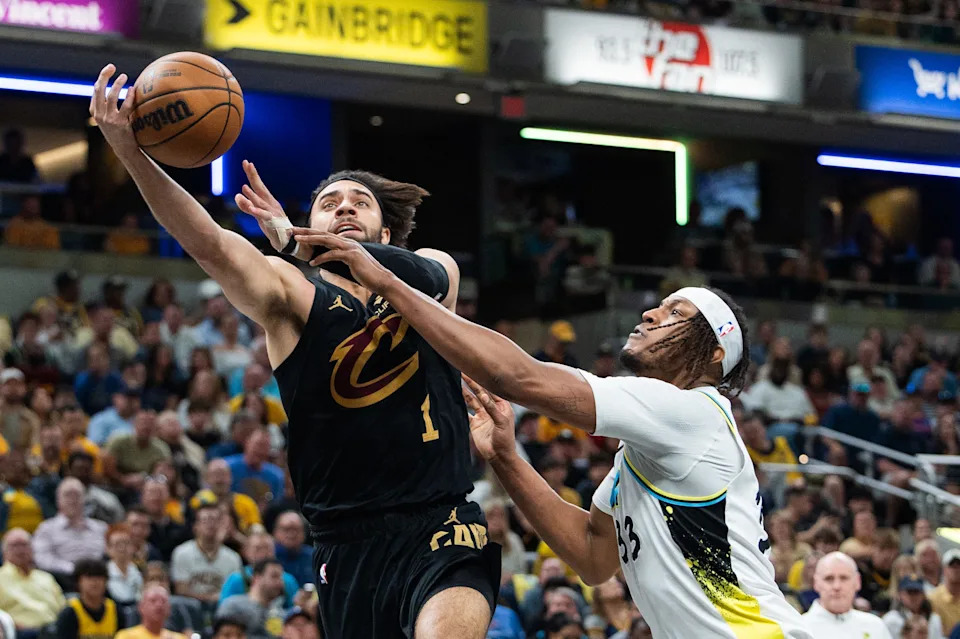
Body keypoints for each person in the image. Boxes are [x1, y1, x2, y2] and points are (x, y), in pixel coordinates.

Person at [92, 65, 498, 639]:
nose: (347, 208)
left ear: (386, 233)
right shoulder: (289, 292)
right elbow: (208, 243)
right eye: (330, 203)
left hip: (443, 520)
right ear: (309, 223)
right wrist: (132, 152)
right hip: (345, 538)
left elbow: (431, 273)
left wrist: (298, 239)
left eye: (361, 202)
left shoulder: (433, 277)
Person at [310, 231, 812, 638]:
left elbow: (519, 377)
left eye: (676, 313)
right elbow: (594, 556)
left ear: (714, 355)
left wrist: (392, 286)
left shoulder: (694, 412)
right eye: (658, 305)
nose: (650, 314)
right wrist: (506, 456)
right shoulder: (648, 450)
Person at [31, 477, 107, 581]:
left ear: (84, 499)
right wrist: (74, 569)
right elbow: (41, 559)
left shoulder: (101, 528)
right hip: (62, 580)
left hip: (99, 579)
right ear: (58, 500)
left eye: (77, 495)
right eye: (67, 495)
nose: (72, 500)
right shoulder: (46, 528)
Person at [801, 551, 892, 637]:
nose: (837, 586)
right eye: (829, 578)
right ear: (816, 583)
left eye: (844, 578)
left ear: (857, 582)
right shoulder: (800, 628)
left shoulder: (876, 627)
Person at [170, 504, 242, 608]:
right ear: (195, 527)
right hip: (190, 609)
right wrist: (210, 598)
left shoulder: (233, 557)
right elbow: (181, 591)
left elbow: (234, 594)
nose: (210, 524)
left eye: (215, 520)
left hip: (222, 609)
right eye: (205, 520)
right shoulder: (182, 553)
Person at [0, 528, 66, 633]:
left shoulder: (46, 577)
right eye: (14, 546)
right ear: (4, 552)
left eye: (24, 545)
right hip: (19, 632)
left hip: (53, 630)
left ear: (32, 549)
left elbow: (62, 608)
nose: (20, 550)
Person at [218, 531, 301, 608]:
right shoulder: (237, 579)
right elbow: (224, 609)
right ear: (246, 552)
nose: (263, 553)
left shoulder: (287, 580)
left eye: (268, 548)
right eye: (258, 549)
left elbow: (295, 609)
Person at [216, 559, 287, 639]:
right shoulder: (233, 606)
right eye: (274, 576)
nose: (280, 582)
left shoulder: (280, 614)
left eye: (281, 578)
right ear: (257, 578)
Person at [55, 559, 124, 639]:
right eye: (89, 577)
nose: (95, 582)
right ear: (78, 582)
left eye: (99, 577)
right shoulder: (69, 613)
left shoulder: (115, 610)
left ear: (106, 581)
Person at [114, 584, 186, 639]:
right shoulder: (126, 636)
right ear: (141, 607)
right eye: (153, 601)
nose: (159, 605)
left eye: (163, 601)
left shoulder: (180, 638)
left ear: (169, 608)